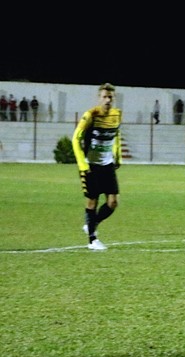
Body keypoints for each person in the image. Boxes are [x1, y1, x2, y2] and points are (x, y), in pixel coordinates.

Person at [71, 83, 122, 251]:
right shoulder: (90, 115)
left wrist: (117, 156)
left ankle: (92, 223)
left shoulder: (116, 115)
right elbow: (76, 139)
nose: (107, 100)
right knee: (92, 201)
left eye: (110, 97)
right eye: (104, 97)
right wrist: (82, 164)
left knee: (113, 202)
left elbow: (116, 135)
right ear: (99, 98)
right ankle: (92, 240)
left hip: (107, 165)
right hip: (90, 165)